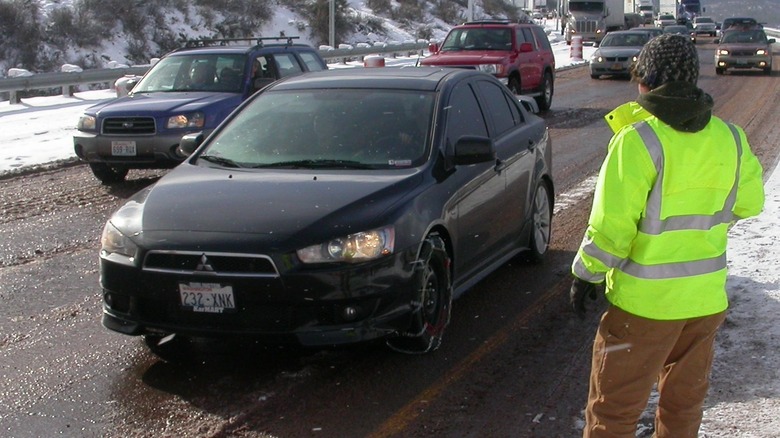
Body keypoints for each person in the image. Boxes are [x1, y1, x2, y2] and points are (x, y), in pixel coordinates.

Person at [569, 34, 765, 438]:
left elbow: (612, 228)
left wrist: (587, 274)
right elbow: (750, 203)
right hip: (704, 302)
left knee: (614, 414)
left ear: (648, 79)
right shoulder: (729, 138)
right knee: (683, 409)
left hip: (645, 308)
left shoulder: (638, 140)